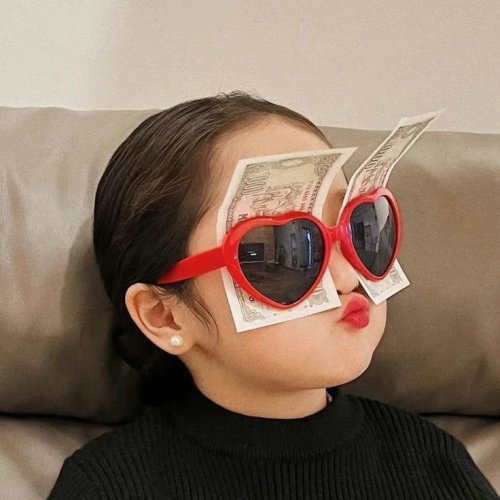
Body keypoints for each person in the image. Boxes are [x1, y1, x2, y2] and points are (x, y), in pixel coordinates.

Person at [48, 91, 499, 499]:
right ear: (165, 316)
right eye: (282, 250)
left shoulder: (432, 462)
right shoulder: (109, 486)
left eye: (361, 229)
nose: (347, 276)